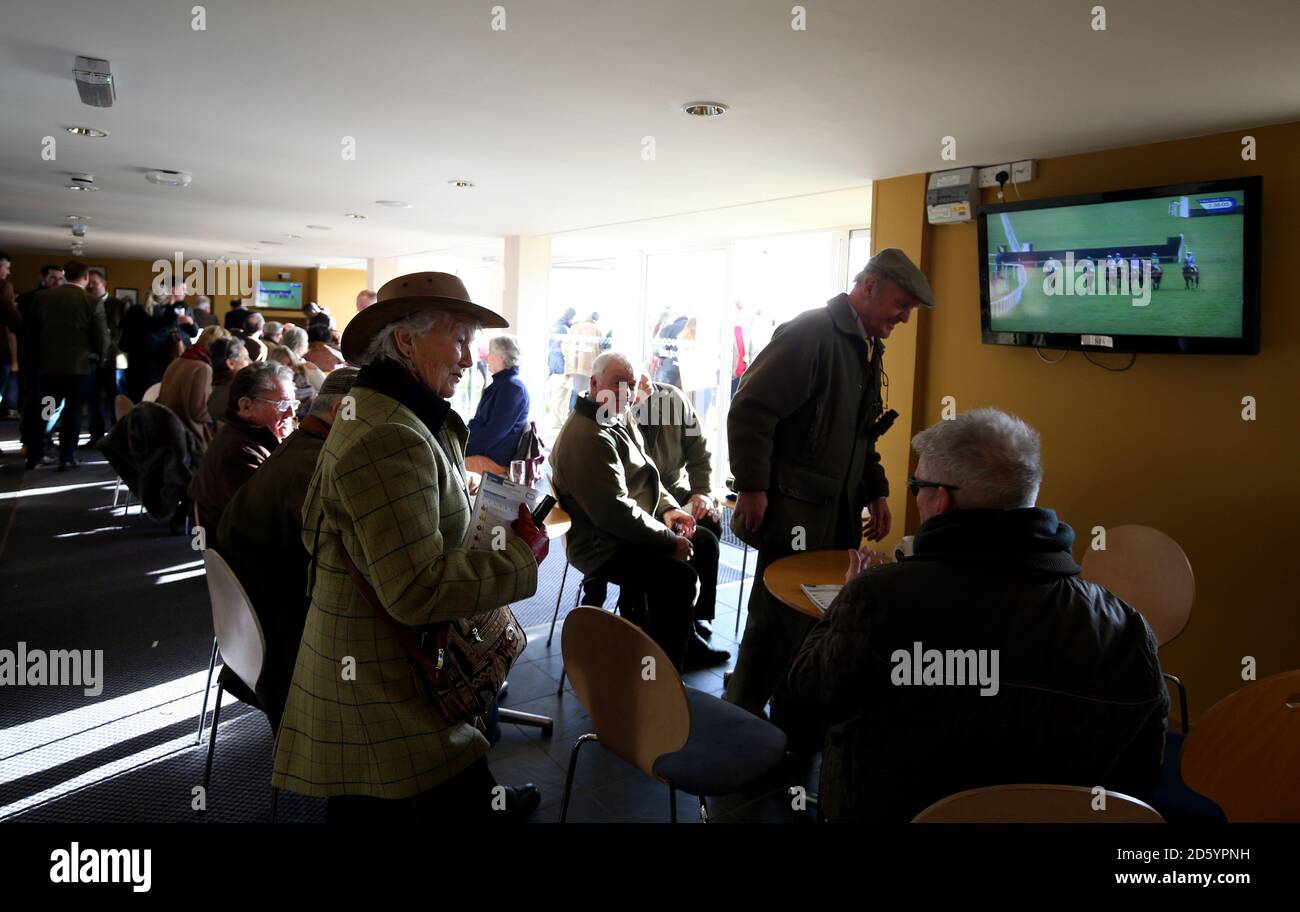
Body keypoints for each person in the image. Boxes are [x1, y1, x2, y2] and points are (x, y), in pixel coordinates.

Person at [787, 409, 1169, 822]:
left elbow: (806, 697)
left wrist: (846, 598)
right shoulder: (1125, 627)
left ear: (941, 498)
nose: (915, 496)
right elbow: (1143, 772)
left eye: (917, 486)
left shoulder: (879, 599)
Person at [272, 271, 548, 822]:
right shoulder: (389, 434)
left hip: (384, 666)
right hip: (386, 683)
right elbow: (416, 589)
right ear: (405, 341)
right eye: (458, 340)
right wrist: (520, 556)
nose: (468, 360)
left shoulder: (391, 414)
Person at [726, 248, 933, 742]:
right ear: (869, 288)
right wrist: (752, 486)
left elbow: (863, 437)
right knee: (775, 626)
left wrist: (876, 494)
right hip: (794, 513)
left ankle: (788, 725)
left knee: (817, 622)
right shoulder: (811, 333)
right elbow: (750, 411)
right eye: (900, 305)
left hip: (834, 516)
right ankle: (739, 731)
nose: (903, 318)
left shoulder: (864, 345)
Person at [549, 351, 728, 671]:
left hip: (624, 527)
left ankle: (683, 640)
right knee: (680, 579)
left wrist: (671, 510)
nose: (627, 392)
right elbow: (615, 514)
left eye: (631, 384)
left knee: (705, 541)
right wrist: (668, 540)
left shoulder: (615, 415)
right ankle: (656, 675)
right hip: (602, 545)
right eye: (618, 383)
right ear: (594, 383)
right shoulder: (589, 436)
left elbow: (649, 477)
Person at [217, 368, 359, 732]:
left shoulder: (293, 451)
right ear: (344, 410)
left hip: (254, 635)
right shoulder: (317, 470)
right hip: (289, 649)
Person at [633, 372, 720, 637]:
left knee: (709, 521)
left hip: (673, 487)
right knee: (667, 537)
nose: (644, 385)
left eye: (645, 379)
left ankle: (696, 614)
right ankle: (651, 613)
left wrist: (702, 492)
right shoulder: (614, 408)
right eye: (635, 383)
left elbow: (699, 450)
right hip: (638, 494)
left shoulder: (674, 400)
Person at [188, 361, 295, 530]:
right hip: (244, 549)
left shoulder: (247, 436)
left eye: (293, 404)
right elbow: (268, 516)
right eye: (282, 405)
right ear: (246, 406)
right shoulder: (238, 452)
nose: (291, 413)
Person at [30, 261, 108, 470]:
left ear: (64, 276)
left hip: (48, 366)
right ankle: (67, 456)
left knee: (46, 409)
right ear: (84, 278)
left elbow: (32, 331)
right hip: (80, 367)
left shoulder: (43, 298)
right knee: (73, 412)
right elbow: (101, 337)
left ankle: (36, 454)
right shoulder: (92, 302)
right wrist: (101, 357)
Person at [16, 264, 64, 464]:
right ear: (43, 277)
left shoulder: (59, 299)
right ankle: (35, 445)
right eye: (53, 278)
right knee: (40, 405)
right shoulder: (31, 299)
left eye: (60, 278)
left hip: (49, 362)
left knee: (46, 405)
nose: (57, 282)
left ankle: (37, 443)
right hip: (38, 361)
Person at [464, 334, 530, 475]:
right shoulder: (503, 385)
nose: (487, 358)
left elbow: (494, 433)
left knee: (446, 462)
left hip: (495, 459)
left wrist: (464, 449)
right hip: (488, 452)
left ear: (502, 357)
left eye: (491, 353)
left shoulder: (512, 388)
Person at [158, 325, 228, 448]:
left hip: (166, 430)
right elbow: (199, 413)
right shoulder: (203, 368)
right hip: (190, 437)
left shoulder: (180, 359)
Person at [84, 269, 127, 444]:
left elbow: (124, 332)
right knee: (92, 400)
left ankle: (118, 436)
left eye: (95, 283)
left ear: (104, 284)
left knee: (116, 399)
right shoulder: (85, 303)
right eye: (89, 283)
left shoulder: (118, 305)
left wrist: (109, 340)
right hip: (91, 359)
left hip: (114, 359)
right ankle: (96, 436)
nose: (92, 287)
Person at [206, 337, 252, 430]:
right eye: (246, 358)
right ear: (231, 363)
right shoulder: (237, 391)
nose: (251, 362)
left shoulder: (207, 380)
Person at [563, 311, 603, 413]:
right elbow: (601, 350)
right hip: (590, 366)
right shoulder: (597, 330)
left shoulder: (574, 328)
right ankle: (583, 417)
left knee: (576, 392)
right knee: (588, 394)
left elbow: (565, 346)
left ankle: (571, 417)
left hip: (575, 365)